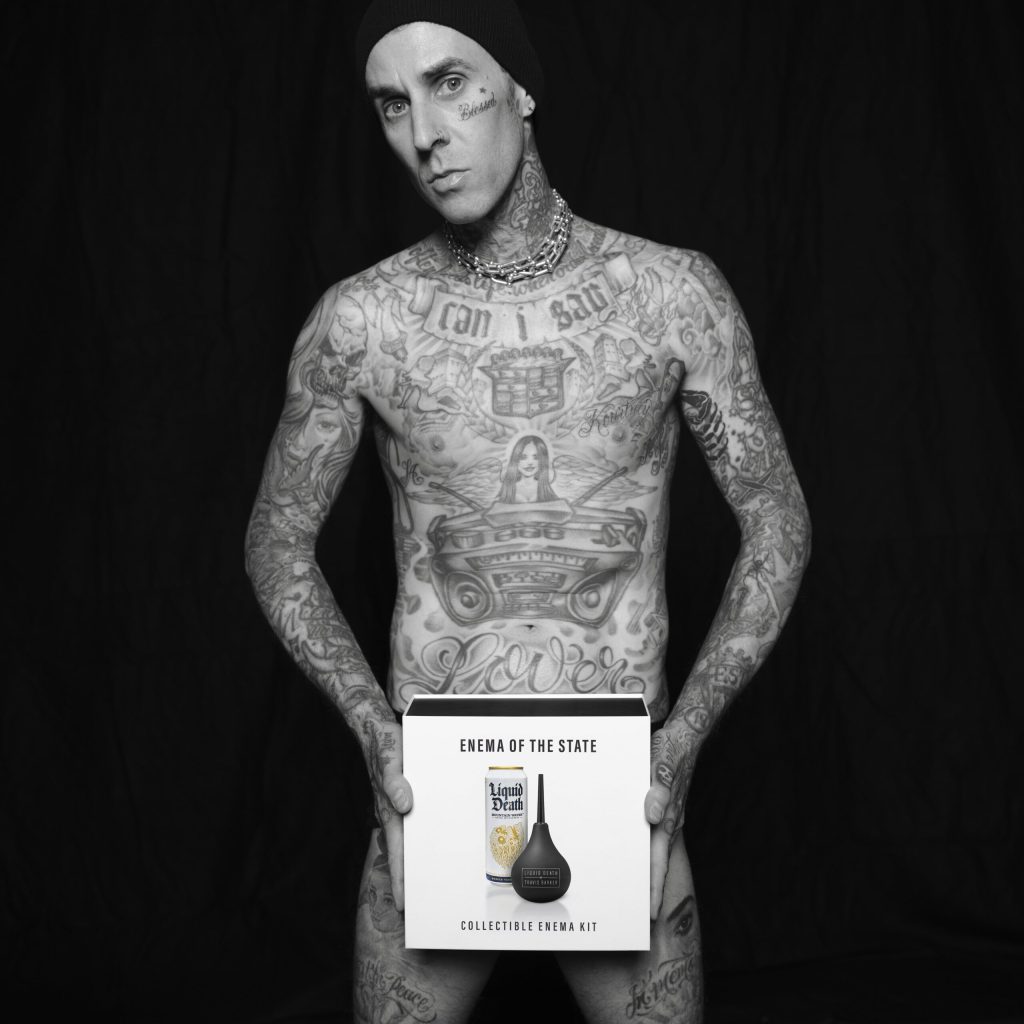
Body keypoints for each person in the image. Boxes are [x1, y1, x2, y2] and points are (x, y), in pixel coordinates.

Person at [244, 1, 811, 1019]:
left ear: (520, 87)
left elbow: (775, 516)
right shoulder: (363, 320)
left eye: (450, 84)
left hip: (620, 787)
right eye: (392, 104)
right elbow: (277, 541)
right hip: (431, 790)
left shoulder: (669, 295)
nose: (424, 133)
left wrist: (682, 741)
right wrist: (374, 731)